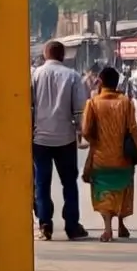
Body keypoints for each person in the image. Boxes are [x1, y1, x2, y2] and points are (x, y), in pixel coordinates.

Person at [80, 64, 137, 242]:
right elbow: (134, 131)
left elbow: (86, 131)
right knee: (123, 189)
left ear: (100, 82)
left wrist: (97, 142)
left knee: (104, 191)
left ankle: (107, 229)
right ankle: (121, 224)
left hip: (101, 159)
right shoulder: (126, 102)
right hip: (123, 159)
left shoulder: (93, 103)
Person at [31, 40, 92, 242]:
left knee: (42, 183)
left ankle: (45, 224)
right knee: (69, 183)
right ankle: (72, 226)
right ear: (63, 55)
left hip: (40, 139)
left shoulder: (34, 75)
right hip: (65, 139)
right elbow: (78, 111)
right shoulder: (73, 76)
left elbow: (29, 106)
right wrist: (80, 133)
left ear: (45, 55)